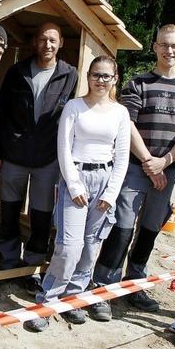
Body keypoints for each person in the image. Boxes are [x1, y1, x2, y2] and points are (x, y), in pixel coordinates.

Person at [90, 24, 175, 321]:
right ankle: (103, 286)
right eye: (164, 44)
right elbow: (128, 125)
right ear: (155, 47)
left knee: (150, 230)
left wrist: (164, 162)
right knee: (122, 228)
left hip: (167, 172)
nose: (169, 50)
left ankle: (134, 282)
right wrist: (149, 162)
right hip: (135, 170)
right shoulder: (138, 84)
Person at [24, 56, 131, 332]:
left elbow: (121, 157)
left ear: (115, 79)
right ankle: (47, 301)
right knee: (69, 246)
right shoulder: (74, 107)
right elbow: (64, 149)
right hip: (77, 179)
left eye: (107, 76)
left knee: (91, 245)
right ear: (88, 76)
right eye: (96, 75)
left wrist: (111, 192)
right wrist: (73, 185)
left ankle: (73, 298)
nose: (101, 81)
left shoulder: (120, 113)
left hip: (105, 180)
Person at [0, 22, 78, 294]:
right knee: (9, 211)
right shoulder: (17, 72)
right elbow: (1, 115)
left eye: (52, 40)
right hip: (14, 154)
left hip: (47, 158)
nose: (47, 45)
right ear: (34, 42)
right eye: (42, 40)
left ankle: (32, 266)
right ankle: (8, 262)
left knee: (41, 216)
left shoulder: (70, 76)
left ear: (61, 42)